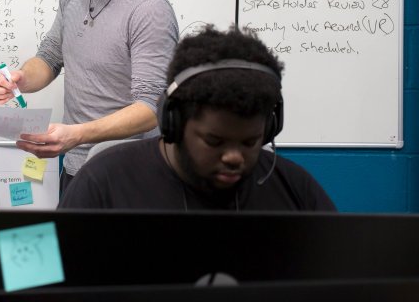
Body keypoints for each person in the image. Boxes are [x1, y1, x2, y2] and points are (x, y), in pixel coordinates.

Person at [0, 0, 179, 193]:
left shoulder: (149, 9)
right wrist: (22, 79)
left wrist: (78, 135)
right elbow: (51, 56)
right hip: (76, 169)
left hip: (130, 177)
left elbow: (150, 108)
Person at [58, 24, 337, 211]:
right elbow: (30, 275)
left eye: (250, 142)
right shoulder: (103, 180)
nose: (234, 157)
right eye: (214, 141)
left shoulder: (294, 190)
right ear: (174, 123)